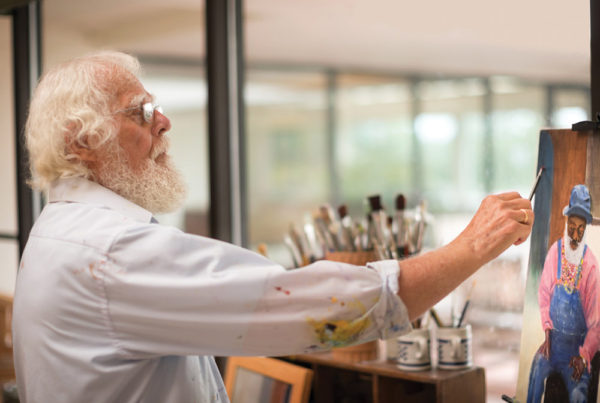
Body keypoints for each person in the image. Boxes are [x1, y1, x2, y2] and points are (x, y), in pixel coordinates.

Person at [12, 51, 533, 403]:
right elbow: (320, 307)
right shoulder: (108, 251)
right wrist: (472, 247)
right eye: (142, 111)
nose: (163, 122)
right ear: (81, 141)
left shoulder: (58, 232)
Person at [527, 184, 599, 403]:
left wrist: (584, 355)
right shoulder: (555, 253)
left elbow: (596, 323)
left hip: (575, 352)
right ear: (566, 222)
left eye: (580, 230)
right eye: (571, 227)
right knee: (537, 368)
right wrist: (547, 332)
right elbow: (543, 295)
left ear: (585, 229)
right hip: (553, 344)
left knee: (579, 395)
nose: (575, 236)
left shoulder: (591, 266)